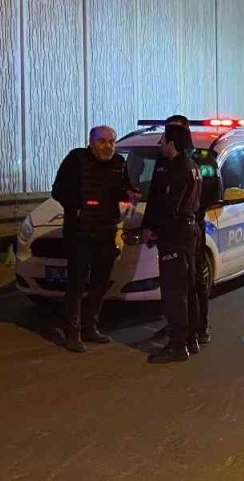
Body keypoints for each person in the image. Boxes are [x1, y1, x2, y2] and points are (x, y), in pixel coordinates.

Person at [51, 125, 137, 353]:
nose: (108, 146)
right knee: (77, 284)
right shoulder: (76, 159)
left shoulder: (119, 163)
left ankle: (90, 326)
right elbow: (57, 190)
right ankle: (72, 333)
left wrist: (130, 200)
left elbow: (126, 191)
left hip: (106, 232)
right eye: (103, 141)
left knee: (100, 282)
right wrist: (76, 207)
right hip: (79, 233)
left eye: (112, 141)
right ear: (91, 142)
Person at [147, 116, 214, 345]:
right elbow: (155, 195)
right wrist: (149, 225)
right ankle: (184, 331)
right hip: (181, 228)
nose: (162, 141)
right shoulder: (168, 162)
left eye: (167, 135)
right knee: (180, 287)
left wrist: (185, 216)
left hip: (185, 228)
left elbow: (208, 193)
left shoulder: (197, 159)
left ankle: (195, 330)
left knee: (188, 285)